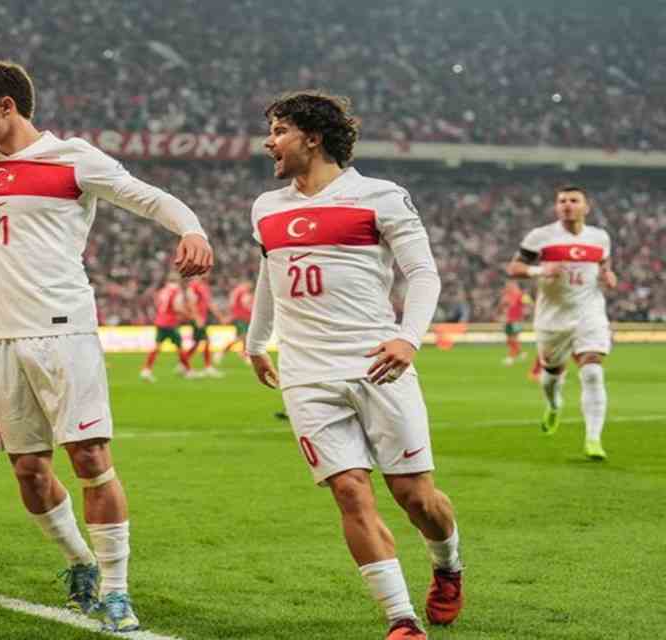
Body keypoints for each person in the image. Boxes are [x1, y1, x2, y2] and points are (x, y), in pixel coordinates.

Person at [0, 60, 213, 633]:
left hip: (63, 329)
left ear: (7, 107)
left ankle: (117, 592)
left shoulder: (72, 158)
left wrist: (191, 229)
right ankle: (80, 563)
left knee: (90, 458)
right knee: (29, 472)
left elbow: (148, 197)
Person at [244, 92, 463, 640]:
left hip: (377, 365)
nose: (269, 142)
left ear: (312, 138)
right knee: (348, 490)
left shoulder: (381, 197)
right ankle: (402, 619)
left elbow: (424, 275)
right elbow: (270, 277)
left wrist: (408, 340)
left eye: (279, 130)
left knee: (417, 498)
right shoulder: (266, 207)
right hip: (306, 373)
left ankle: (448, 565)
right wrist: (255, 341)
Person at [505, 186, 617, 460]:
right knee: (551, 378)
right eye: (562, 201)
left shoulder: (600, 237)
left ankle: (593, 439)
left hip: (589, 312)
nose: (567, 205)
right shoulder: (540, 236)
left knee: (592, 371)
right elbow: (514, 268)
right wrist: (539, 270)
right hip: (552, 318)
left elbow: (605, 266)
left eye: (573, 200)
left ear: (586, 206)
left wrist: (608, 276)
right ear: (557, 207)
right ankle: (554, 406)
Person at [140, 273, 191, 382]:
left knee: (157, 347)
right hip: (170, 322)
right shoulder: (176, 291)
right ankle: (188, 370)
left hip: (160, 320)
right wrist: (187, 314)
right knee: (179, 346)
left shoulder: (162, 291)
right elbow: (177, 307)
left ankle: (146, 370)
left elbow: (157, 304)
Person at [183, 274, 223, 378]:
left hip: (201, 318)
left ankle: (183, 363)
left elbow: (209, 303)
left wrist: (219, 315)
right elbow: (191, 302)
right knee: (206, 341)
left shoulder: (204, 286)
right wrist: (197, 317)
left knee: (197, 343)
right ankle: (208, 367)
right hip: (197, 318)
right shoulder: (194, 286)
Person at [498, 281, 529, 365]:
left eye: (511, 286)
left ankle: (510, 358)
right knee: (509, 340)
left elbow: (527, 304)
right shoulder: (507, 295)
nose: (509, 287)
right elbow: (502, 306)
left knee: (513, 339)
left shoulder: (521, 295)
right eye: (508, 286)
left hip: (517, 320)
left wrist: (525, 313)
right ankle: (521, 354)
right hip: (508, 320)